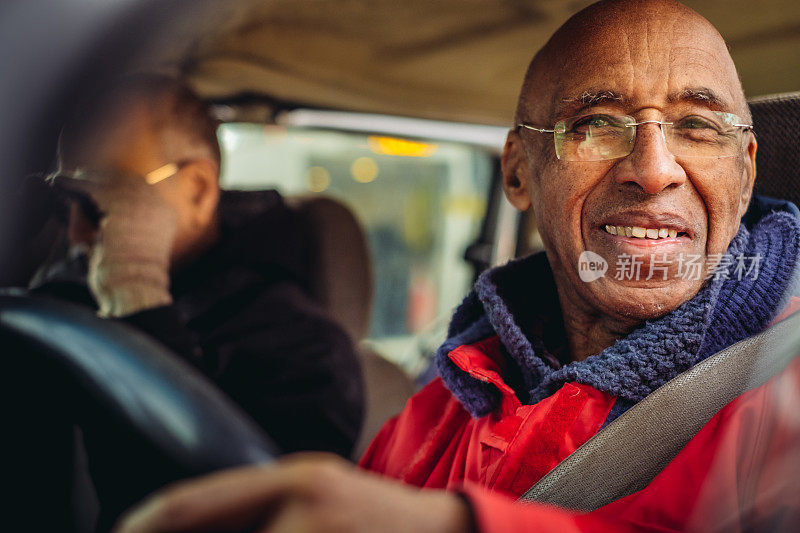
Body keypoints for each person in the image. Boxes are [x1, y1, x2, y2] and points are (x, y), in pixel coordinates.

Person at [113, 1, 800, 532]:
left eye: (699, 127)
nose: (653, 170)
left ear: (746, 173)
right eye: (595, 125)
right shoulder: (439, 407)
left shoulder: (786, 388)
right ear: (518, 173)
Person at [31, 75, 365, 526]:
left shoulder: (306, 351)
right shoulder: (54, 297)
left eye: (102, 199)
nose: (74, 234)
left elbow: (245, 516)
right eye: (64, 200)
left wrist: (137, 296)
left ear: (198, 190)